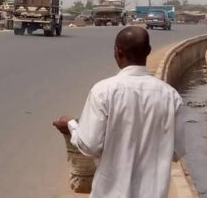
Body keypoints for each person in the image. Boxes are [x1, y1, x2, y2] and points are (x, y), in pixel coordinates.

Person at [53, 26, 185, 198]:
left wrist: (71, 125)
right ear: (149, 51)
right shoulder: (171, 96)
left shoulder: (103, 91)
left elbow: (90, 145)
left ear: (117, 51)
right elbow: (177, 150)